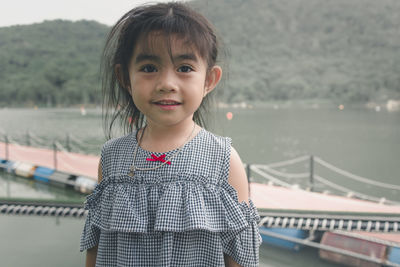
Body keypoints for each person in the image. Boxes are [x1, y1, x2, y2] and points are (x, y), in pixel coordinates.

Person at [80, 2, 261, 267]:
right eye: (149, 68)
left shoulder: (223, 160)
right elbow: (96, 247)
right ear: (125, 78)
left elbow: (240, 254)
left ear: (209, 80)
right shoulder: (111, 156)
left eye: (185, 68)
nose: (167, 84)